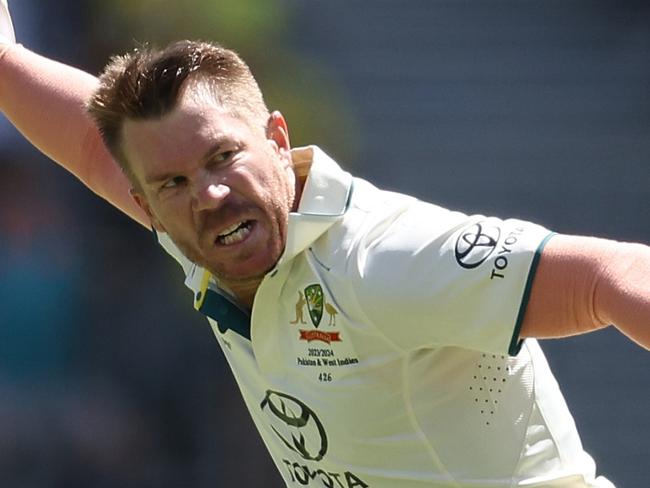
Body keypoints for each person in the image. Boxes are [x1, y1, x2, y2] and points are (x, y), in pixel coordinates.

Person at [0, 3, 648, 487]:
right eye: (173, 182)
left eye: (224, 156)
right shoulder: (196, 233)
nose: (210, 193)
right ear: (145, 204)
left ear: (279, 139)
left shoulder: (386, 259)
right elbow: (94, 147)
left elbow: (609, 274)